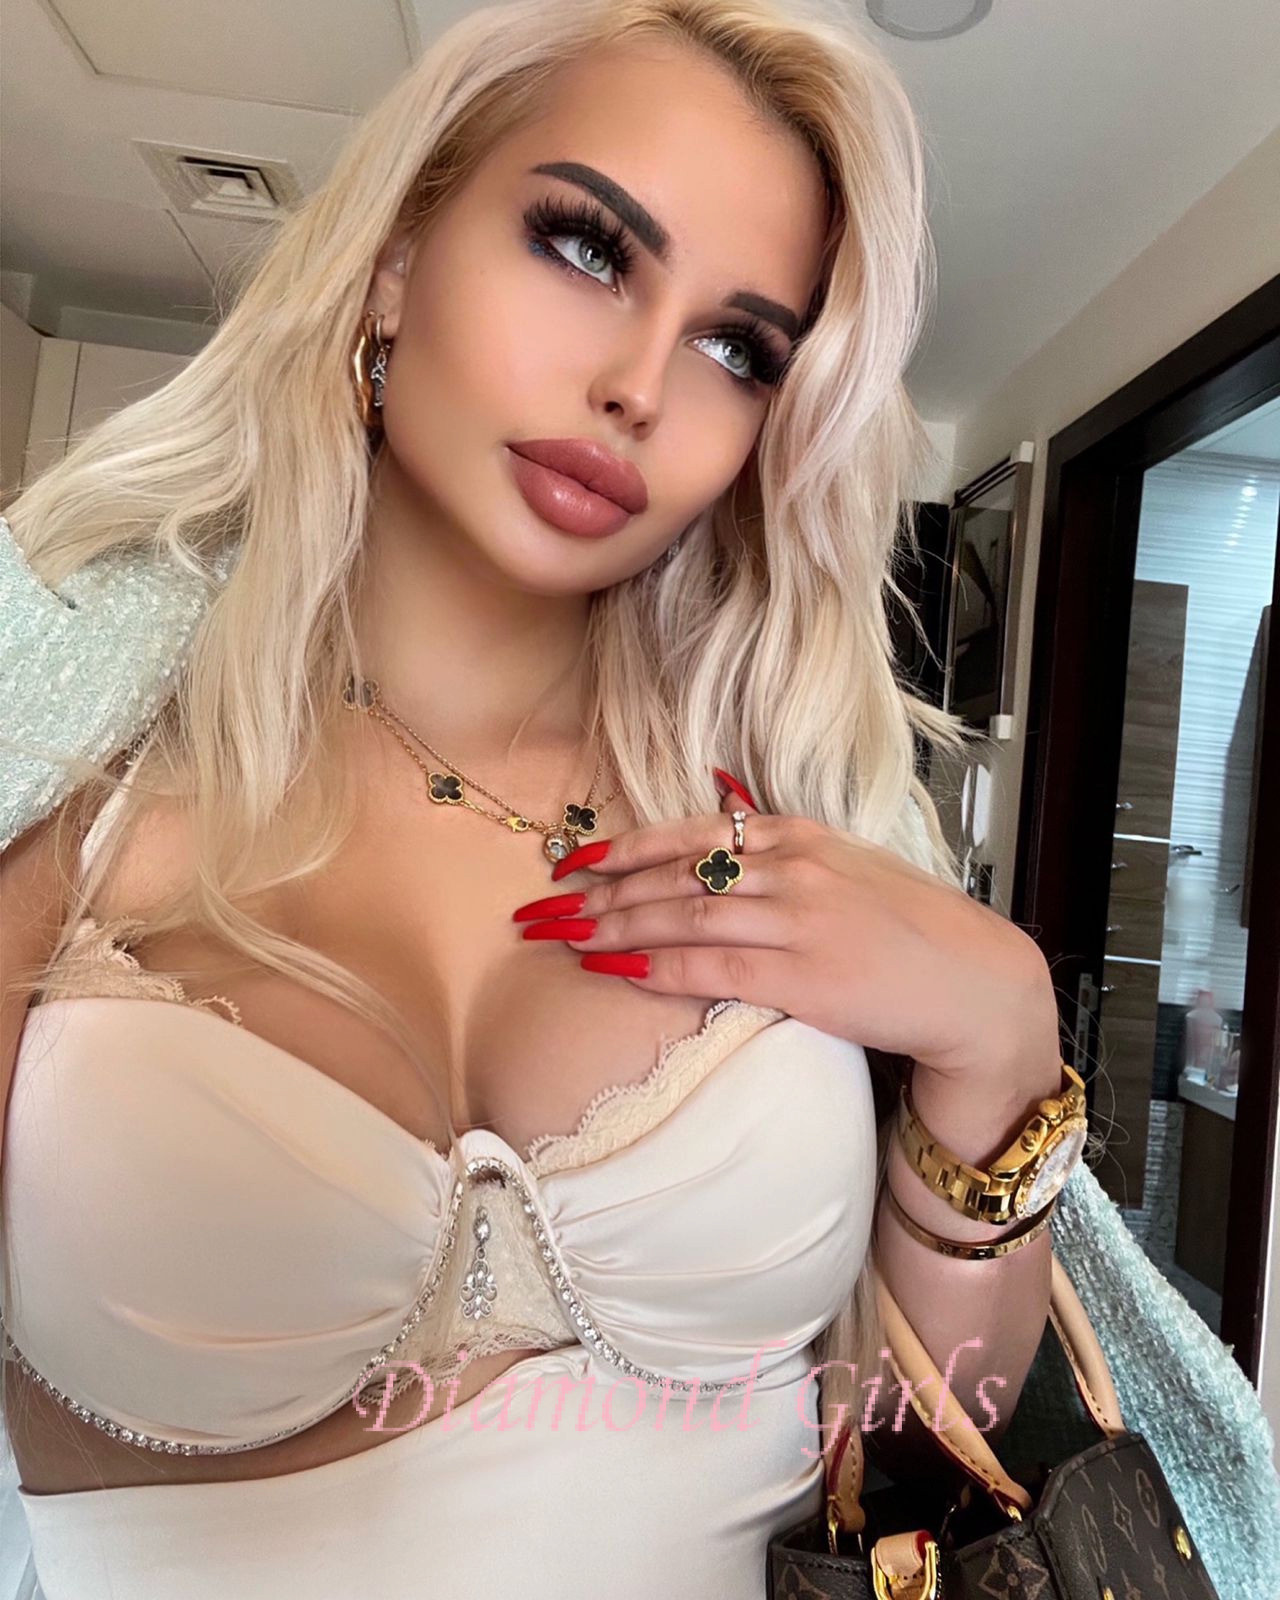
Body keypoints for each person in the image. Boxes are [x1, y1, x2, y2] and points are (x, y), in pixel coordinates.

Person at [1, 1, 1277, 1596]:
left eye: (738, 347)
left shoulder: (784, 816)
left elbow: (928, 1440)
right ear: (395, 257)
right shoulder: (70, 789)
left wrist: (999, 1030)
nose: (640, 386)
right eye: (586, 247)